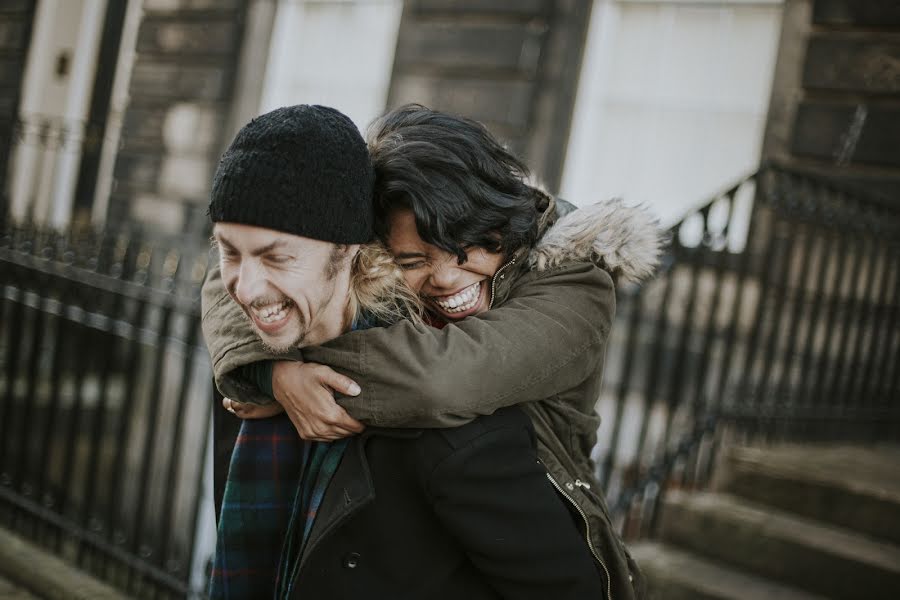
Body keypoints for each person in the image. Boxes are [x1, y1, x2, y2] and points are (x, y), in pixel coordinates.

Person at [204, 104, 660, 599]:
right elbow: (244, 267)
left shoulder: (575, 282)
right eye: (415, 260)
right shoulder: (389, 233)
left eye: (466, 248)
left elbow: (441, 381)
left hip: (539, 505)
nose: (444, 278)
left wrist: (294, 368)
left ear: (503, 225)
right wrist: (273, 370)